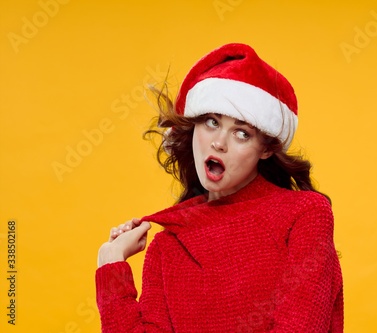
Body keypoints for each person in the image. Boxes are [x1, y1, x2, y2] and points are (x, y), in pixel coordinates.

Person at [96, 43, 343, 332]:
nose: (219, 142)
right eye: (212, 122)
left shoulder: (305, 215)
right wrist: (111, 265)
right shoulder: (168, 245)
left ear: (264, 150)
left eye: (241, 133)